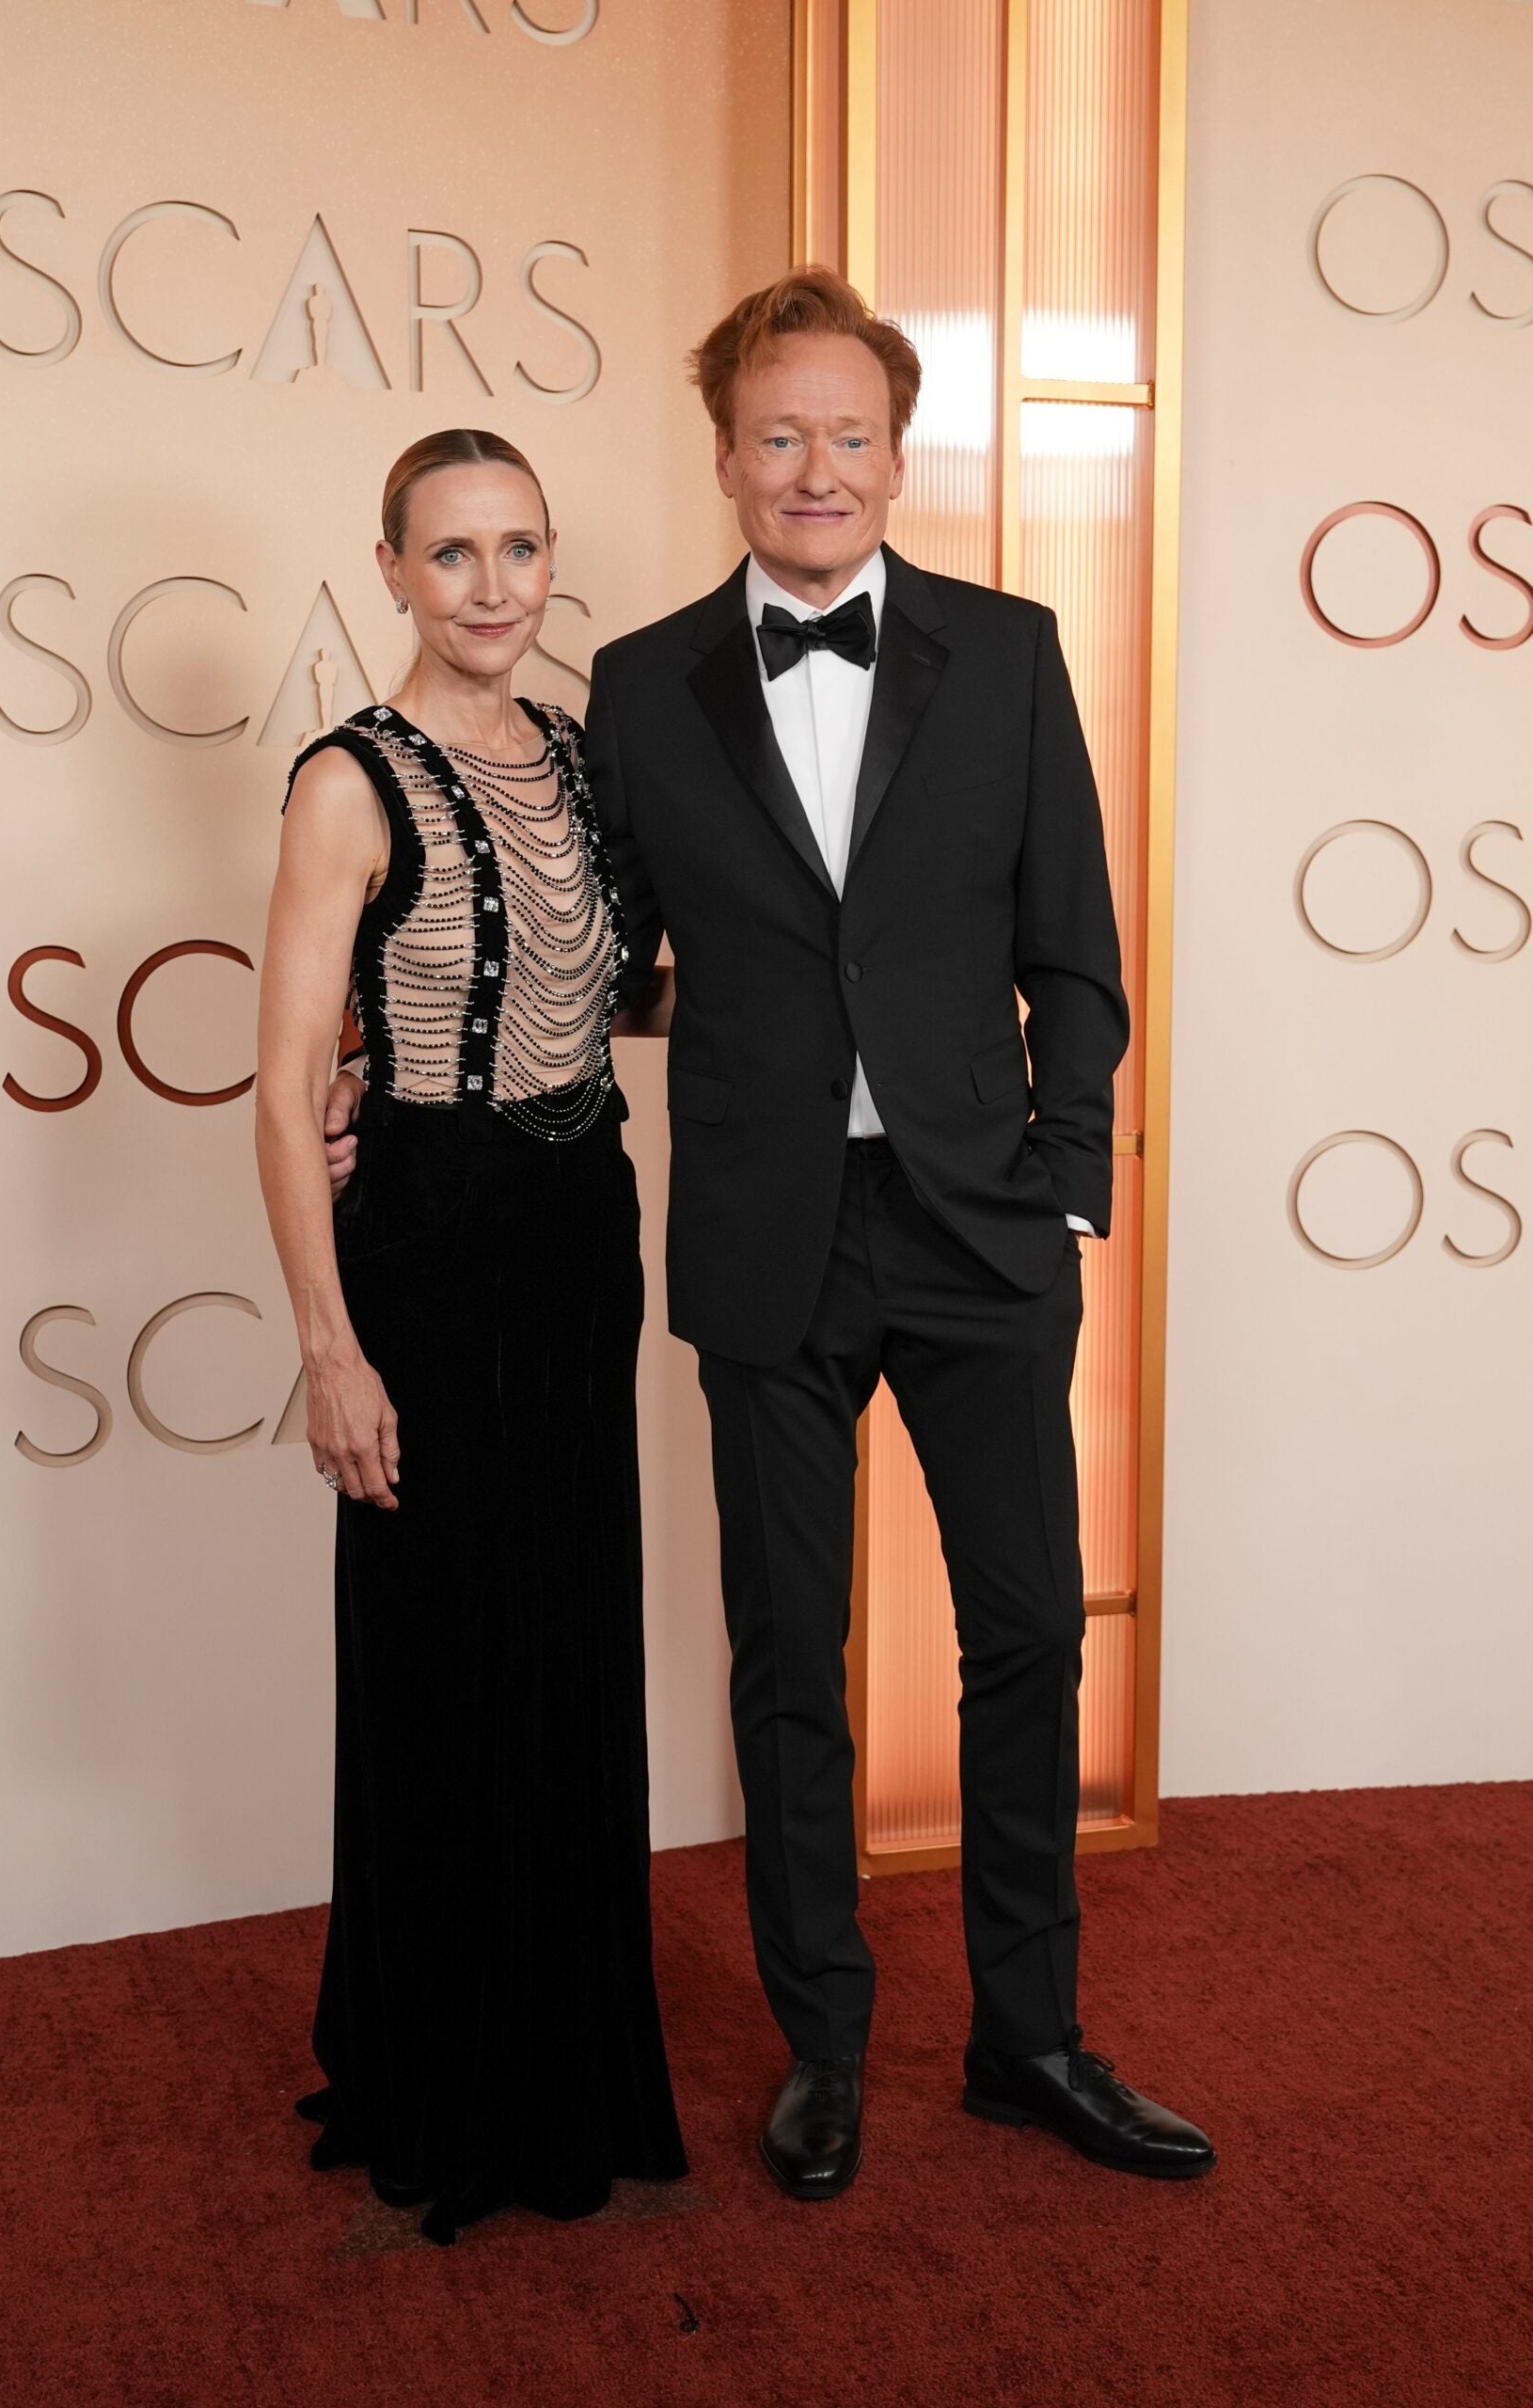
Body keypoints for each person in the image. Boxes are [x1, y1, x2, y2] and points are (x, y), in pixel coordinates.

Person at [325, 271, 1214, 2202]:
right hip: (763, 1231)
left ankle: (1029, 2037)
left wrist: (1068, 1174)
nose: (814, 466)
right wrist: (372, 1068)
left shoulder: (1007, 646)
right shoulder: (636, 686)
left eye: (850, 433)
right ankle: (825, 2042)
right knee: (780, 1656)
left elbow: (1072, 939)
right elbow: (585, 945)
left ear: (899, 454)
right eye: (775, 433)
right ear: (723, 453)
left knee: (1023, 1638)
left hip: (982, 1229)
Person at [256, 428, 686, 2244]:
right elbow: (285, 1093)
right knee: (444, 1662)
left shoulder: (589, 766)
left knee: (569, 1644)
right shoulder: (348, 781)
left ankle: (566, 2060)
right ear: (392, 570)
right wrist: (334, 1349)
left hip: (584, 1237)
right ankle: (444, 2070)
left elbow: (606, 991)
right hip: (427, 1255)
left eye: (518, 549)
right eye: (452, 554)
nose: (491, 586)